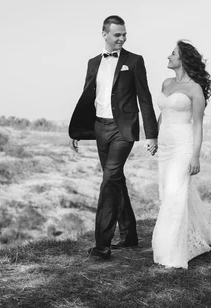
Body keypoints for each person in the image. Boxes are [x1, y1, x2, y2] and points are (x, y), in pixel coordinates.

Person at [68, 15, 158, 259]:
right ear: (105, 34)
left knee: (109, 181)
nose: (122, 38)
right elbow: (87, 98)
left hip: (123, 130)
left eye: (124, 34)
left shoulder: (134, 61)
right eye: (117, 34)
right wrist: (76, 131)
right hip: (100, 128)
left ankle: (102, 246)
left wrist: (151, 134)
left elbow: (145, 97)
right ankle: (129, 236)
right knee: (116, 180)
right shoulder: (92, 63)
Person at [152, 39, 211, 269]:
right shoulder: (165, 83)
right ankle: (203, 233)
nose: (168, 56)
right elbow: (163, 114)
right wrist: (154, 138)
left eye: (172, 53)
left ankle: (171, 252)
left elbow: (197, 125)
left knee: (175, 195)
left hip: (184, 147)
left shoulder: (195, 89)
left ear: (182, 59)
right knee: (167, 194)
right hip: (165, 148)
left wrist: (195, 155)